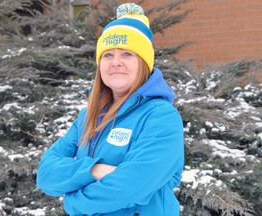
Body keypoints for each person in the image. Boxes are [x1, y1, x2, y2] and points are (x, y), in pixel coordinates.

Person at [36, 3, 184, 216]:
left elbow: (131, 187)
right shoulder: (87, 116)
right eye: (108, 55)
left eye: (127, 54)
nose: (116, 62)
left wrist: (73, 202)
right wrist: (94, 169)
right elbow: (46, 175)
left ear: (144, 63)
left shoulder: (160, 117)